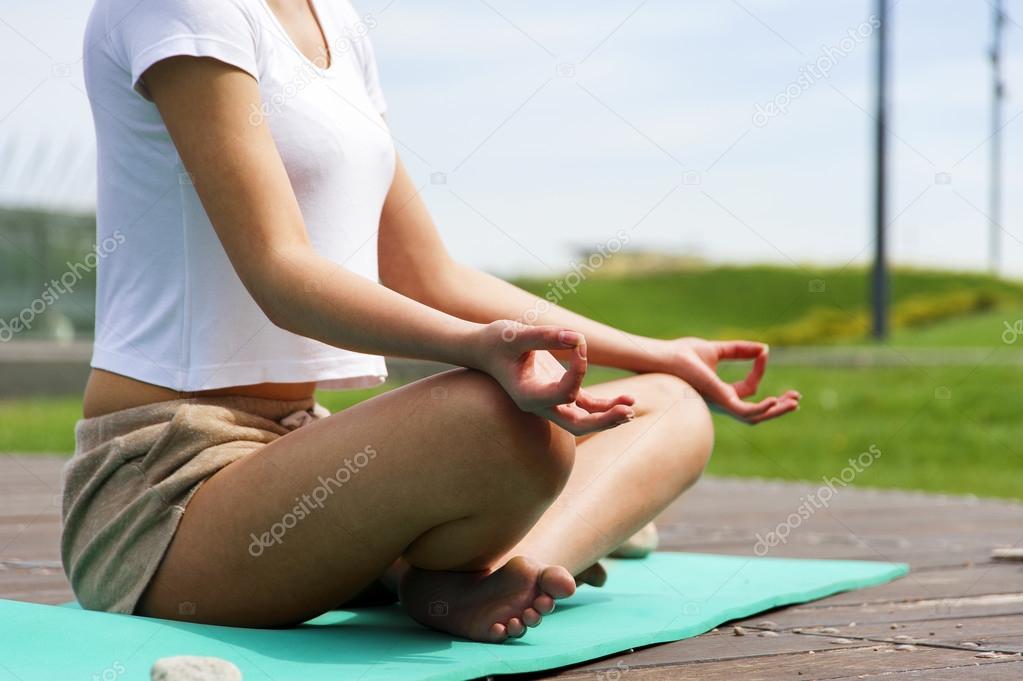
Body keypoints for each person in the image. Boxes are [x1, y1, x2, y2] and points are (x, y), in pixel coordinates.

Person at [62, 0, 800, 643]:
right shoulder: (179, 5)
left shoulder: (338, 24)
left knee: (668, 409)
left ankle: (488, 572)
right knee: (497, 419)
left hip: (298, 451)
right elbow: (279, 272)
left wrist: (659, 353)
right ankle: (452, 562)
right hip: (169, 493)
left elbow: (429, 276)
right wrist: (479, 351)